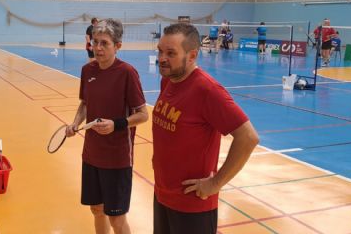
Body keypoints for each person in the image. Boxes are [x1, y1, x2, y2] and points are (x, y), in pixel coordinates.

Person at [153, 23, 259, 234]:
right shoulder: (169, 81)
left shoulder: (207, 90)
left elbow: (248, 137)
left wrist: (215, 183)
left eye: (171, 53)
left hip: (192, 206)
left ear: (192, 56)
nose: (162, 58)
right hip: (162, 195)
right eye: (160, 51)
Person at [66, 18, 149, 234]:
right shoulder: (87, 70)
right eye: (95, 42)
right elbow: (85, 103)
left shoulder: (127, 73)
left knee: (117, 218)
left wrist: (117, 124)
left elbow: (142, 114)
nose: (98, 48)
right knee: (96, 209)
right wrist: (75, 123)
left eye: (104, 43)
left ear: (117, 46)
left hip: (117, 158)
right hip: (92, 154)